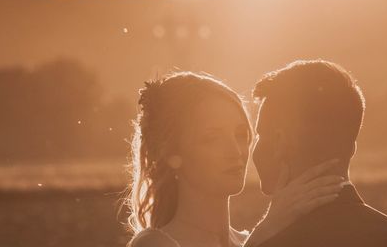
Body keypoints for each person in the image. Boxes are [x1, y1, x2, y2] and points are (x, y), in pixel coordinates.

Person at [124, 71, 348, 247]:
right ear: (172, 153)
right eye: (211, 138)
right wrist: (267, 232)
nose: (235, 151)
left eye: (240, 135)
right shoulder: (154, 243)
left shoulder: (248, 239)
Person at [250, 59, 387, 247]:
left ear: (279, 142)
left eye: (260, 135)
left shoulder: (272, 240)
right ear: (352, 148)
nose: (254, 151)